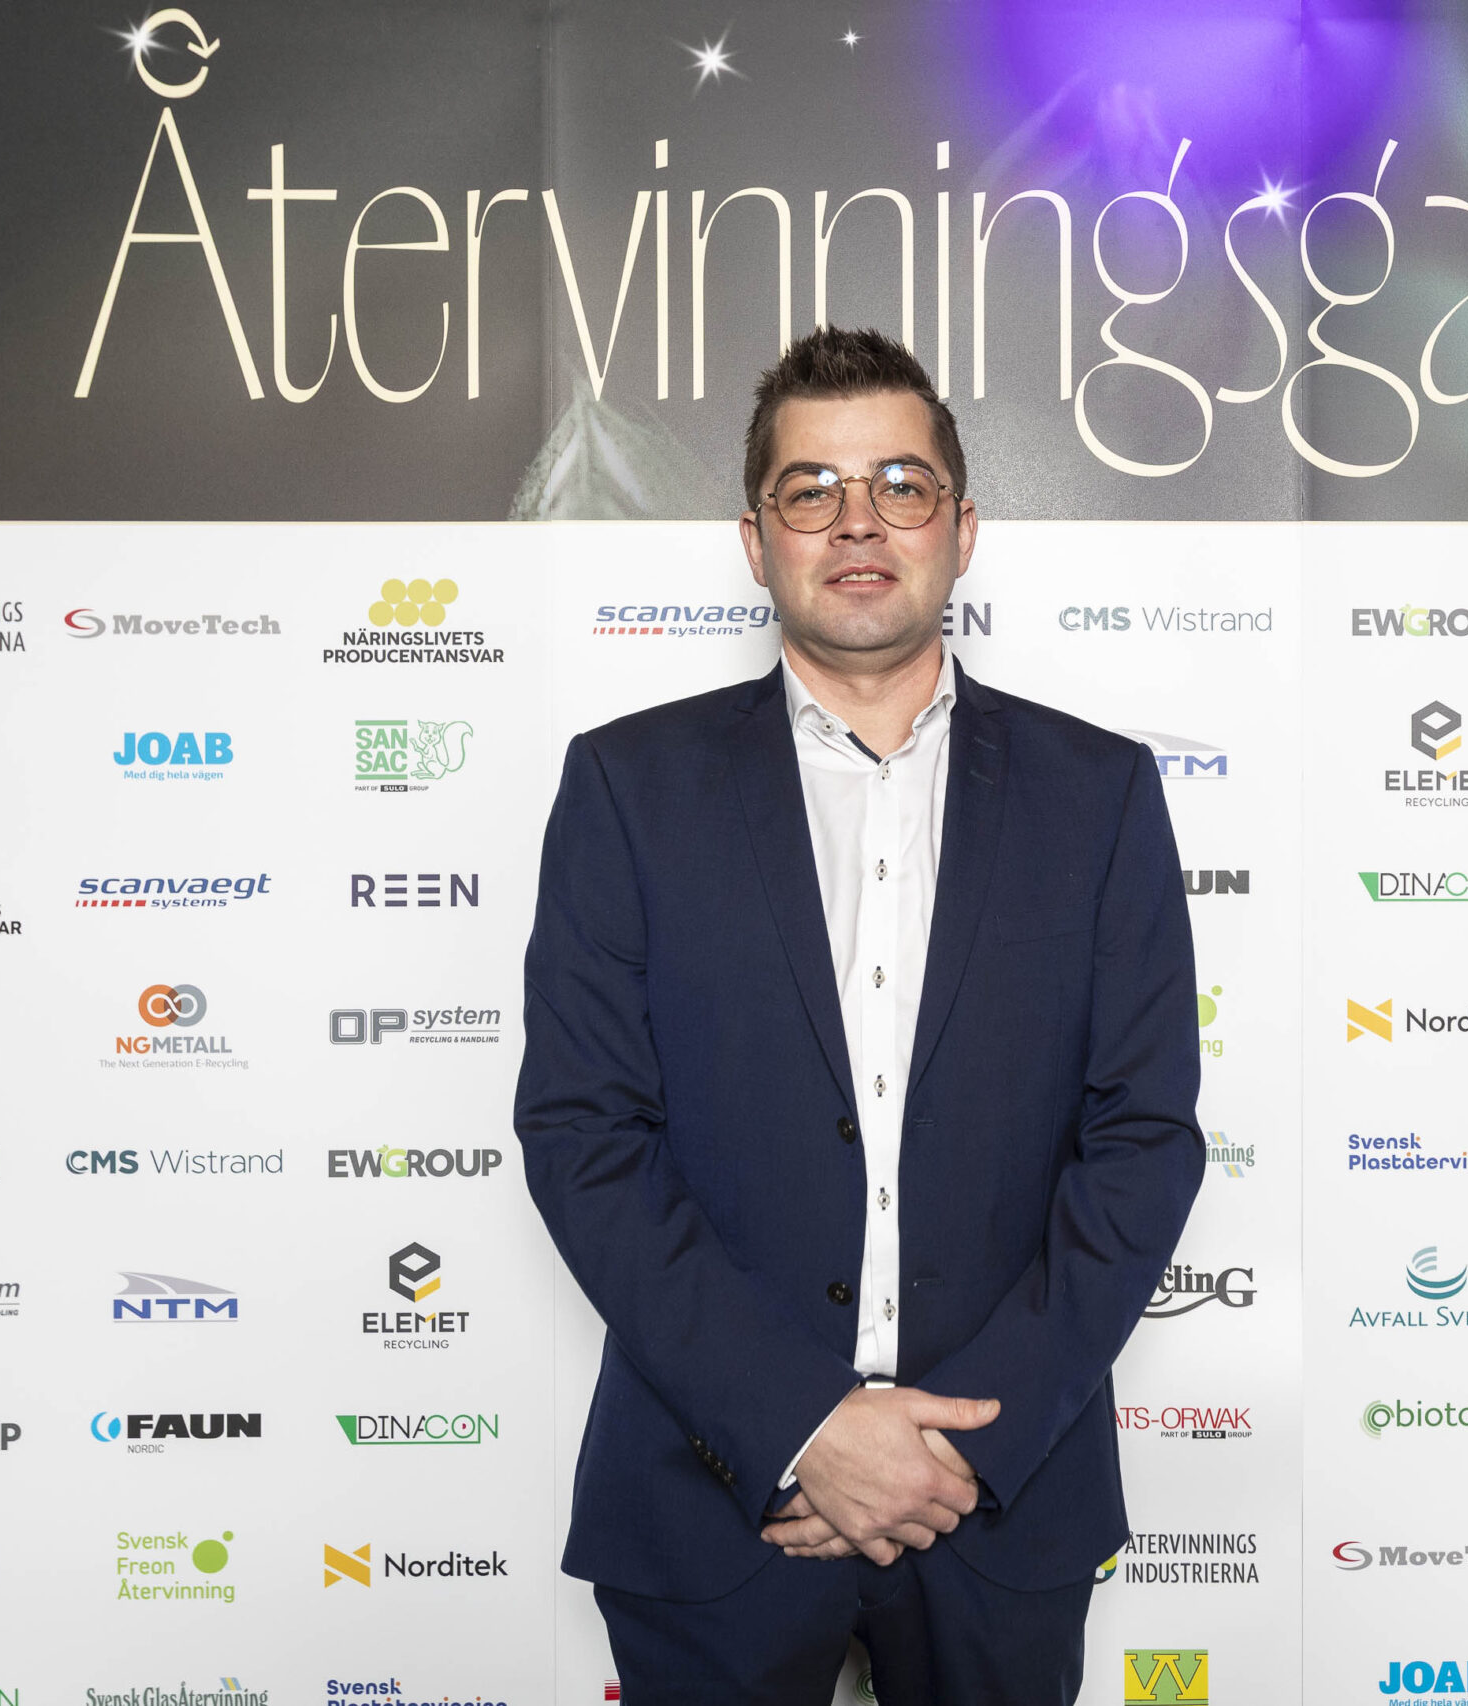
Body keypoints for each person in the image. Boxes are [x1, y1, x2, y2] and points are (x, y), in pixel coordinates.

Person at [514, 325, 1205, 1705]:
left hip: (997, 1503)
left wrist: (948, 1452)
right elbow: (584, 1139)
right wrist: (801, 1425)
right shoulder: (628, 790)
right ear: (754, 539)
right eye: (810, 489)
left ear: (963, 526)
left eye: (900, 483)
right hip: (713, 1498)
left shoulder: (1099, 795)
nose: (857, 521)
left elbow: (1142, 1143)